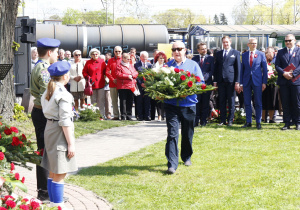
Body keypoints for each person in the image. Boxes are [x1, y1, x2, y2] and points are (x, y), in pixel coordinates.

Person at [161, 41, 204, 174]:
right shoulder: (167, 66)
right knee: (172, 134)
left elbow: (201, 83)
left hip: (189, 104)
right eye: (174, 49)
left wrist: (189, 90)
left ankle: (186, 156)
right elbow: (161, 83)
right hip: (172, 105)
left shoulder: (193, 65)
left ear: (185, 50)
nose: (177, 52)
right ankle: (172, 164)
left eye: (179, 49)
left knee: (187, 133)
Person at [41, 61, 77, 209]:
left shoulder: (49, 89)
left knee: (52, 170)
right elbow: (65, 121)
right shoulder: (63, 94)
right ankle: (58, 205)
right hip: (58, 130)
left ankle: (52, 204)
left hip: (50, 128)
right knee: (60, 172)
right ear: (66, 76)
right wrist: (71, 144)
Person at [30, 37, 60, 202]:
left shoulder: (42, 67)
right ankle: (44, 193)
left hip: (41, 113)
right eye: (56, 51)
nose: (57, 54)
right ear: (49, 52)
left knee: (47, 152)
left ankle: (49, 191)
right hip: (44, 115)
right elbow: (47, 96)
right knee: (45, 153)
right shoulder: (44, 69)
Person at [240, 38, 268, 129]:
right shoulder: (244, 55)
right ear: (248, 44)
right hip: (247, 81)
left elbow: (264, 69)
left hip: (258, 81)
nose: (254, 45)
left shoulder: (261, 54)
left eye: (255, 43)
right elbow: (242, 70)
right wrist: (241, 83)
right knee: (247, 102)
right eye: (252, 43)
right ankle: (248, 122)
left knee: (258, 102)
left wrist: (264, 82)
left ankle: (258, 122)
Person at [214, 35, 241, 126]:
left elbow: (238, 68)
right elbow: (216, 68)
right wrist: (215, 81)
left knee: (231, 101)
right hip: (221, 80)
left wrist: (237, 81)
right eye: (224, 42)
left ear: (230, 42)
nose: (225, 44)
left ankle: (230, 120)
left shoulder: (236, 53)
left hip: (231, 81)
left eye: (227, 42)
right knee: (221, 101)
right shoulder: (218, 53)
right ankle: (222, 120)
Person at [275, 34, 300, 130]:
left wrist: (293, 74)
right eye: (286, 41)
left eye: (289, 40)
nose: (288, 42)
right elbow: (277, 66)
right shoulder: (281, 52)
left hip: (296, 81)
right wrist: (284, 73)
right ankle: (287, 123)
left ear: (294, 40)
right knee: (285, 103)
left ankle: (298, 122)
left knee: (296, 103)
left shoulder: (299, 51)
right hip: (284, 81)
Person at [192, 42, 214, 126]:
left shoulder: (210, 59)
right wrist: (198, 79)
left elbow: (211, 71)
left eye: (205, 48)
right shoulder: (194, 59)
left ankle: (203, 121)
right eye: (202, 49)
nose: (204, 50)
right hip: (196, 85)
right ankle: (196, 121)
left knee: (205, 103)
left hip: (207, 84)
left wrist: (204, 78)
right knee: (197, 103)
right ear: (198, 50)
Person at [82, 48, 106, 119]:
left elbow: (105, 71)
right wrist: (87, 77)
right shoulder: (88, 62)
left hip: (100, 84)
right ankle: (94, 115)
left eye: (96, 54)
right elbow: (84, 72)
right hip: (92, 85)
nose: (95, 55)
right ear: (91, 55)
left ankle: (101, 115)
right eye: (93, 54)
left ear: (98, 54)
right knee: (93, 101)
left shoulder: (102, 62)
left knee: (101, 101)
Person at [116, 53, 138, 120]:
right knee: (123, 101)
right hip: (123, 86)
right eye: (128, 59)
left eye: (129, 59)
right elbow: (118, 74)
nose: (129, 60)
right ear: (123, 58)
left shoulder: (131, 65)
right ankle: (123, 115)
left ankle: (129, 115)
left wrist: (132, 75)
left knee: (130, 101)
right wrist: (127, 76)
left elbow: (135, 72)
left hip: (131, 86)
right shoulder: (119, 66)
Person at [262, 47, 279, 123]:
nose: (267, 54)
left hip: (273, 83)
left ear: (273, 52)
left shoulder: (277, 59)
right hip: (264, 83)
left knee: (272, 101)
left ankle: (272, 119)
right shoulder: (264, 59)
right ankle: (263, 118)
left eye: (268, 52)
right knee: (263, 100)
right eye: (266, 53)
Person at [134, 51, 152, 121]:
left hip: (147, 86)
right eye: (143, 57)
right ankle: (140, 116)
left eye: (146, 57)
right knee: (139, 101)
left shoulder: (150, 65)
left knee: (147, 101)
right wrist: (140, 83)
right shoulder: (136, 65)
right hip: (139, 85)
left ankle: (147, 115)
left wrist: (147, 83)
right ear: (140, 57)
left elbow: (151, 75)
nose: (145, 58)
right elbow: (136, 75)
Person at [106, 46, 122, 120]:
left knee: (123, 100)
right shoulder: (110, 61)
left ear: (121, 52)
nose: (117, 53)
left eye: (119, 51)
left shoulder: (124, 59)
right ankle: (116, 115)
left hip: (122, 83)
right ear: (114, 52)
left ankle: (123, 114)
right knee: (114, 100)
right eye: (116, 51)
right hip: (113, 83)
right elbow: (107, 72)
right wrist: (112, 79)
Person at [151, 51, 167, 121]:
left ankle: (163, 115)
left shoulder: (166, 66)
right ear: (157, 59)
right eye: (160, 58)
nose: (161, 60)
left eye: (163, 58)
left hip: (164, 85)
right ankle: (159, 116)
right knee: (158, 101)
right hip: (156, 85)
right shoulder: (154, 66)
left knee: (163, 102)